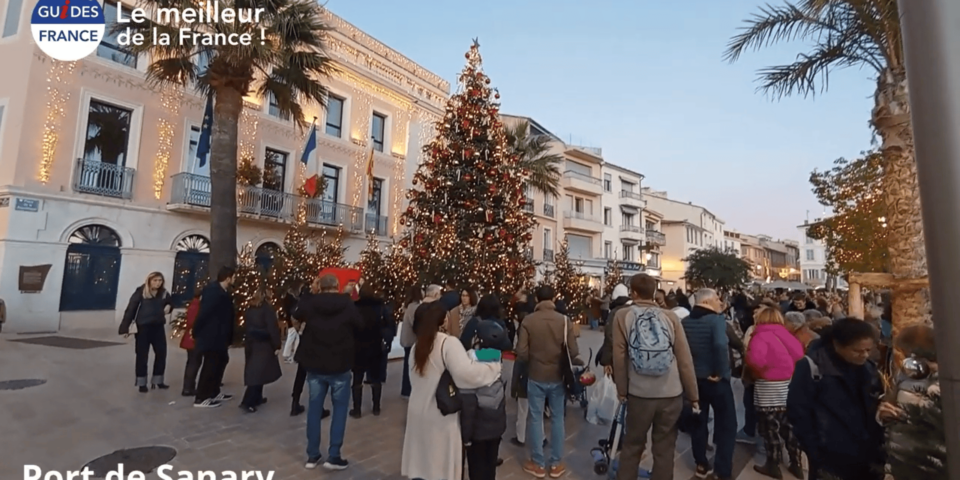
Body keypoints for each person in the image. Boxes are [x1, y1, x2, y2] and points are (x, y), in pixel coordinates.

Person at [400, 302, 501, 480]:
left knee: (422, 464)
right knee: (438, 467)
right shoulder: (448, 343)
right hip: (440, 415)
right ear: (443, 320)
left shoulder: (418, 345)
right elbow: (467, 375)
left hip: (418, 411)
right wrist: (493, 367)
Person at [612, 274, 698, 480]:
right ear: (654, 292)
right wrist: (693, 394)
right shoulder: (670, 317)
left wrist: (622, 391)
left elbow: (619, 357)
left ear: (633, 292)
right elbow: (684, 358)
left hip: (639, 394)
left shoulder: (623, 316)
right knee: (665, 447)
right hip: (671, 393)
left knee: (633, 446)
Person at [787, 318, 885, 480]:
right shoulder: (813, 367)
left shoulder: (868, 368)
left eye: (868, 350)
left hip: (867, 454)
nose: (864, 355)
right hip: (830, 457)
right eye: (858, 351)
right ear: (837, 345)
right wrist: (815, 450)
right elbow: (798, 411)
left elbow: (873, 403)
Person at [294, 274, 362, 471]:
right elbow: (360, 325)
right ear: (336, 286)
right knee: (339, 410)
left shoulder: (311, 302)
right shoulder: (347, 303)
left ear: (320, 287)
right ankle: (334, 455)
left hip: (315, 363)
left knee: (314, 409)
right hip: (340, 363)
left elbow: (296, 313)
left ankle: (312, 455)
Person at [516, 285, 583, 478]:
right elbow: (573, 351)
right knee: (557, 419)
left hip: (536, 375)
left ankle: (538, 463)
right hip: (558, 376)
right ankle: (556, 464)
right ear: (553, 298)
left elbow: (521, 352)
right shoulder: (564, 320)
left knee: (536, 418)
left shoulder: (528, 320)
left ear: (537, 299)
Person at [682, 288, 737, 480]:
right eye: (716, 299)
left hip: (695, 380)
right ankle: (723, 469)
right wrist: (720, 371)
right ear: (705, 302)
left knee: (699, 422)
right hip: (716, 380)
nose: (719, 302)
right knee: (727, 424)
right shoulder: (716, 320)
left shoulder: (685, 322)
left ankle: (701, 464)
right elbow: (721, 345)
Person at [745, 307, 805, 479]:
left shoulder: (759, 335)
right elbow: (799, 355)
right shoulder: (787, 335)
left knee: (770, 429)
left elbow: (755, 360)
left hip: (767, 389)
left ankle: (773, 464)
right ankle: (796, 463)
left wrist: (761, 372)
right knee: (789, 428)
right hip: (788, 388)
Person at [460, 319, 510, 480]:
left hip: (477, 432)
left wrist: (465, 437)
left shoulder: (470, 368)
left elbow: (468, 407)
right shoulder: (497, 361)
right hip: (496, 429)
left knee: (476, 470)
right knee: (490, 469)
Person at [119, 272, 173, 393]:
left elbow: (171, 302)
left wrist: (169, 306)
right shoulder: (141, 292)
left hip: (158, 326)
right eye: (155, 280)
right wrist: (125, 328)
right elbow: (131, 309)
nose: (158, 283)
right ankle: (142, 383)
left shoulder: (164, 293)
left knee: (161, 353)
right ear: (149, 281)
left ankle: (158, 380)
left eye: (160, 280)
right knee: (142, 355)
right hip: (143, 327)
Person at [192, 267, 236, 408]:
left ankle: (214, 391)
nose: (235, 279)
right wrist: (196, 331)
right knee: (210, 365)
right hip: (212, 335)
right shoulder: (213, 291)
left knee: (221, 361)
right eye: (233, 277)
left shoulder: (222, 291)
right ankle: (201, 397)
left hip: (220, 335)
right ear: (228, 278)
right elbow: (204, 313)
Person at [351, 285, 393, 418]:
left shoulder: (355, 308)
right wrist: (386, 340)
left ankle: (357, 409)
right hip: (375, 346)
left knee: (357, 380)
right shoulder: (380, 307)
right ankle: (376, 407)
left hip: (358, 348)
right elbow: (390, 324)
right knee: (376, 379)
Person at [240, 288, 282, 413]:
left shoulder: (250, 309)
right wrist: (277, 345)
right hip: (264, 344)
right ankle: (248, 401)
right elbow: (272, 329)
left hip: (251, 343)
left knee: (257, 372)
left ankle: (257, 397)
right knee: (257, 373)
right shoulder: (267, 310)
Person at [399, 285, 423, 399]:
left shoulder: (409, 306)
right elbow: (416, 324)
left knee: (407, 364)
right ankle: (407, 389)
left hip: (407, 339)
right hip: (412, 340)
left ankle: (406, 389)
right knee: (410, 365)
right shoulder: (415, 307)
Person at [180, 288, 202, 397]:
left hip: (190, 338)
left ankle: (189, 387)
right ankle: (188, 388)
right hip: (193, 339)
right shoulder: (196, 306)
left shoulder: (194, 304)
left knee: (192, 362)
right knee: (194, 363)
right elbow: (192, 322)